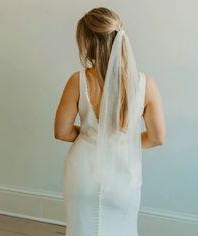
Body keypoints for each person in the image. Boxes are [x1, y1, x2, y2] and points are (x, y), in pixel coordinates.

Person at [54, 7, 165, 236]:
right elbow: (157, 137)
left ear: (88, 42)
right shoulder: (147, 85)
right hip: (123, 173)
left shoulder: (78, 81)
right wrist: (121, 143)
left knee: (81, 228)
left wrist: (92, 136)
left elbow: (62, 132)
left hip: (83, 171)